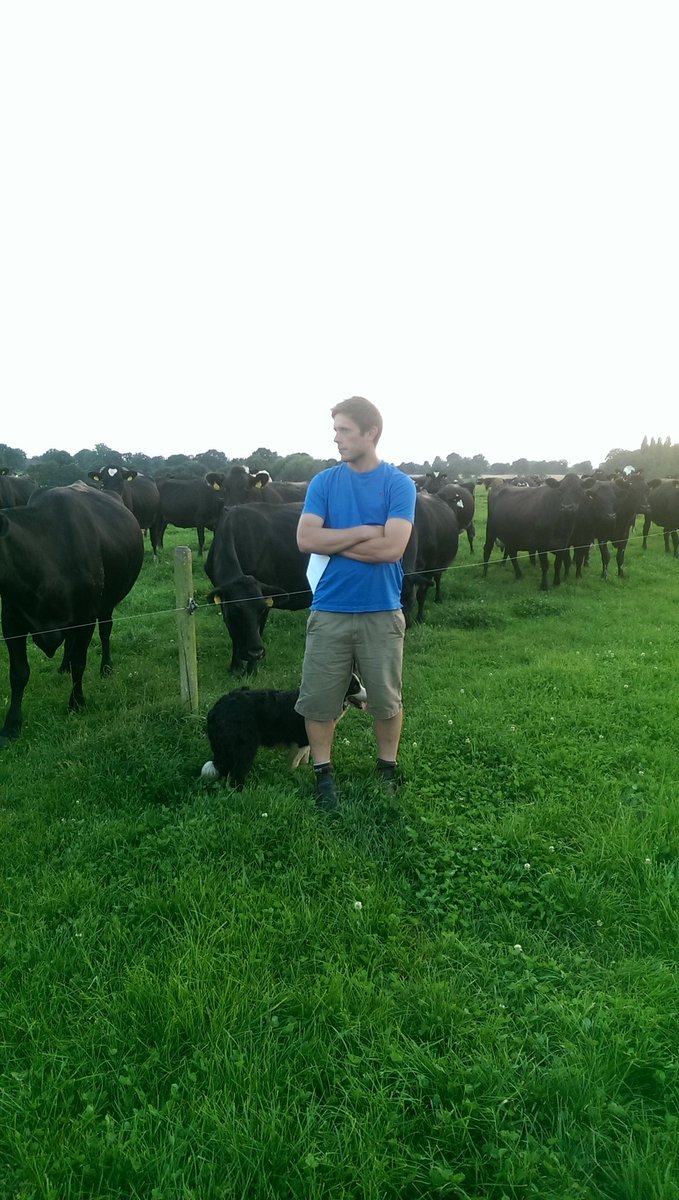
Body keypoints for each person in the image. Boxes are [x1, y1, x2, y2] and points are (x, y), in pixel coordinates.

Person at [294, 396, 416, 813]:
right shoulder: (323, 483)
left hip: (382, 609)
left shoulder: (399, 484)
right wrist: (366, 531)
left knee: (385, 698)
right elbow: (307, 539)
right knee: (319, 698)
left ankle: (386, 768)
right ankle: (323, 774)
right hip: (329, 608)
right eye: (336, 430)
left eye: (345, 430)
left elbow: (393, 549)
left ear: (371, 433)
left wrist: (339, 540)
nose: (337, 438)